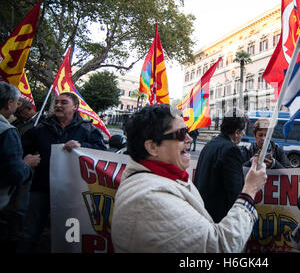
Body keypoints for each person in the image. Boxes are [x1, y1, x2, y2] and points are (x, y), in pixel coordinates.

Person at [111, 104, 267, 252]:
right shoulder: (148, 198)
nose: (190, 139)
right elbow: (218, 247)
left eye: (187, 131)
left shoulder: (164, 178)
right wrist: (250, 190)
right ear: (152, 147)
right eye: (180, 134)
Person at [18, 92, 107, 252]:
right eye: (56, 102)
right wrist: (28, 158)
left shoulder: (88, 129)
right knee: (30, 232)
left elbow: (102, 153)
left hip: (73, 192)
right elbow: (21, 149)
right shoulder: (41, 127)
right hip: (42, 187)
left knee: (69, 234)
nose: (58, 105)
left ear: (75, 107)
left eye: (63, 102)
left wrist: (82, 145)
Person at [0, 82, 40, 252]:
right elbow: (16, 174)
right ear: (9, 103)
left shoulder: (40, 123)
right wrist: (26, 164)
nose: (17, 109)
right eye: (16, 103)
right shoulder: (7, 130)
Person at [193, 108, 249, 223]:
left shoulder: (209, 145)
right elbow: (235, 192)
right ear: (237, 132)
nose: (244, 134)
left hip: (201, 213)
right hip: (219, 219)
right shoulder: (231, 150)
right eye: (244, 131)